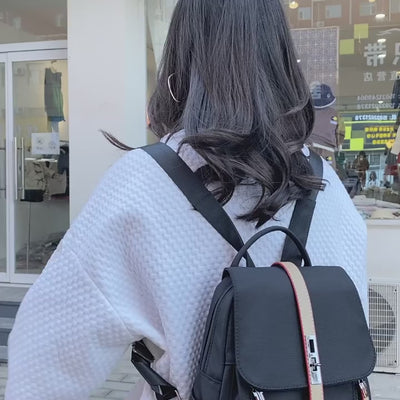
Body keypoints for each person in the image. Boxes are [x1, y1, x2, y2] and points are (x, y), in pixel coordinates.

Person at [5, 1, 367, 399]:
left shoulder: (144, 182)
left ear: (180, 58)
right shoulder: (324, 183)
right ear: (281, 59)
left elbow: (41, 369)